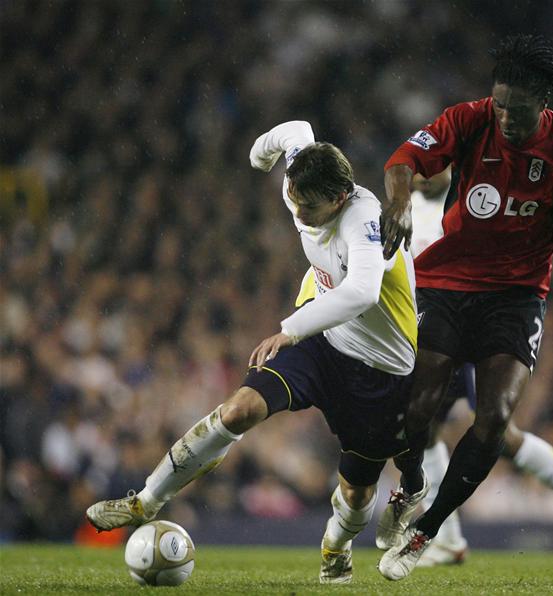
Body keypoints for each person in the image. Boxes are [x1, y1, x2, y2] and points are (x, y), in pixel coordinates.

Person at [86, 120, 421, 585]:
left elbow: (362, 293)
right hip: (323, 342)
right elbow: (295, 130)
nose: (299, 214)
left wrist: (288, 329)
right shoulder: (301, 182)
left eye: (310, 207)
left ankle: (336, 545)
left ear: (340, 197)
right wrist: (259, 155)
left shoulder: (365, 222)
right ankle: (145, 500)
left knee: (358, 492)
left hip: (379, 369)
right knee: (239, 410)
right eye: (295, 200)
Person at [376, 35, 553, 581]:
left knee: (495, 422)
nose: (504, 118)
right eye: (498, 105)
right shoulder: (469, 120)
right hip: (445, 286)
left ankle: (427, 533)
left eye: (516, 110)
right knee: (418, 414)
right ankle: (410, 489)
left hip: (516, 299)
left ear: (543, 100)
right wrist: (398, 202)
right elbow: (403, 159)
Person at [402, 171, 553, 567]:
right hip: (433, 325)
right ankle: (448, 538)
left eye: (438, 165)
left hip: (473, 326)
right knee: (426, 426)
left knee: (492, 428)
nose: (427, 172)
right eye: (422, 165)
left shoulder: (470, 200)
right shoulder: (405, 208)